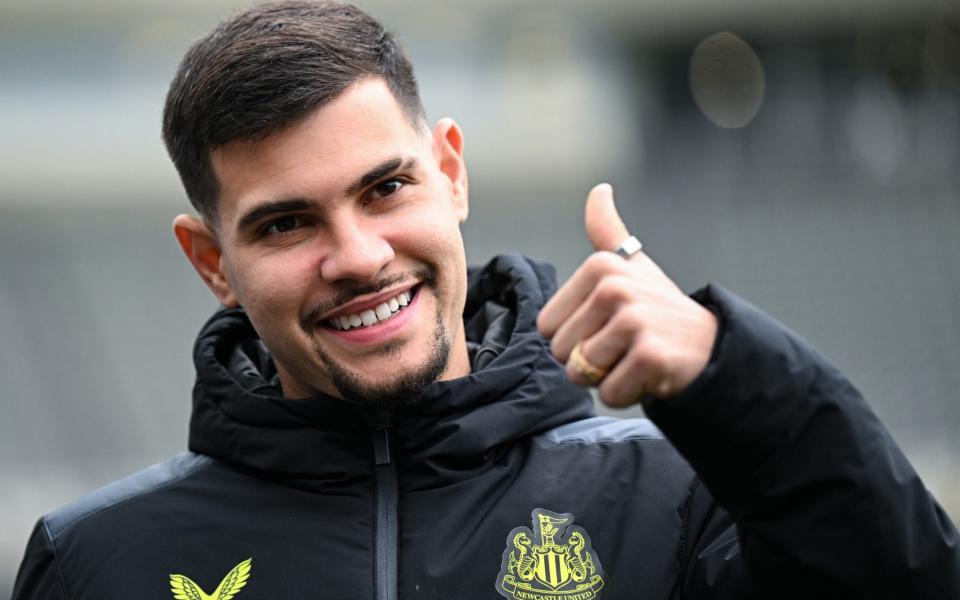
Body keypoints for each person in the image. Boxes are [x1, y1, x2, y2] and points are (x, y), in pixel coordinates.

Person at [12, 2, 959, 599]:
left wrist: (741, 376)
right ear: (211, 260)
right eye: (287, 225)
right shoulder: (102, 560)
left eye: (387, 189)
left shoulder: (678, 502)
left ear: (451, 174)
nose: (358, 256)